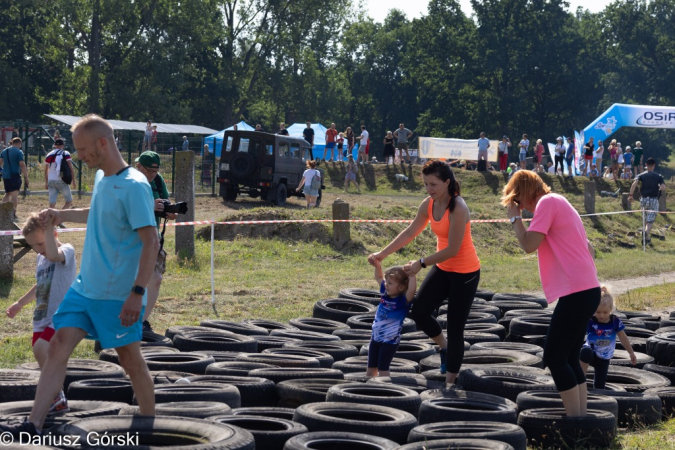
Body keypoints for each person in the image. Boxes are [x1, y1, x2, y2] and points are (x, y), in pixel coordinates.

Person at [0, 114, 159, 437]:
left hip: (116, 295)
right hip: (84, 289)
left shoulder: (135, 186)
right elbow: (98, 211)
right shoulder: (103, 179)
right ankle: (33, 423)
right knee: (57, 345)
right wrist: (61, 214)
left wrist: (137, 293)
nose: (79, 156)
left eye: (83, 149)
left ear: (103, 143)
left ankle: (151, 426)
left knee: (129, 359)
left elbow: (151, 242)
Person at [368, 160, 480, 384]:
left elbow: (453, 249)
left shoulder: (459, 207)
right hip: (443, 268)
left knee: (456, 327)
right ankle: (445, 348)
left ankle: (450, 383)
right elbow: (410, 232)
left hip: (465, 273)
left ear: (447, 182)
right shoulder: (428, 204)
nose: (429, 189)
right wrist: (383, 254)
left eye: (434, 184)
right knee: (418, 312)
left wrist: (421, 262)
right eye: (426, 184)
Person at [502, 170, 600, 417]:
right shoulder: (558, 200)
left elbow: (528, 245)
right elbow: (589, 247)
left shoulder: (546, 203)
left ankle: (575, 420)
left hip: (578, 291)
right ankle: (581, 419)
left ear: (522, 194)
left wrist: (516, 219)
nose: (519, 206)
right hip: (586, 289)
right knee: (568, 357)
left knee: (554, 358)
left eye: (517, 200)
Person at [5, 214, 76, 414]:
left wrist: (48, 231)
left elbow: (54, 256)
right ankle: (57, 396)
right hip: (42, 317)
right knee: (41, 353)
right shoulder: (40, 258)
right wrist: (20, 303)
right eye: (33, 245)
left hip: (61, 315)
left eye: (40, 243)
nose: (38, 249)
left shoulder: (66, 251)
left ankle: (56, 394)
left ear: (54, 233)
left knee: (42, 349)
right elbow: (40, 285)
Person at [134, 151, 177, 332]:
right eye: (149, 172)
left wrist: (170, 211)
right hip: (132, 240)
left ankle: (142, 322)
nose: (153, 176)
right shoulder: (131, 182)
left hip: (154, 240)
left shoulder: (158, 181)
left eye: (155, 172)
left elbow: (168, 205)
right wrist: (149, 206)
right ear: (139, 167)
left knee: (156, 278)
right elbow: (124, 209)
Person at [580, 287, 637, 389]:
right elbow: (578, 334)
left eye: (605, 312)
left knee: (599, 385)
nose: (601, 315)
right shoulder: (591, 320)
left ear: (611, 309)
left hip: (604, 356)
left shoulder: (615, 321)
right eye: (598, 312)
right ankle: (579, 379)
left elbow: (623, 337)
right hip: (591, 353)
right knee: (585, 351)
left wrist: (631, 352)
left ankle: (597, 398)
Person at [366, 261, 416, 377]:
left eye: (390, 283)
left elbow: (412, 290)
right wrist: (377, 265)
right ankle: (369, 389)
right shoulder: (385, 293)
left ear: (401, 287)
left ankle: (384, 389)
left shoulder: (403, 301)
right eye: (387, 282)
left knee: (383, 369)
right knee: (370, 368)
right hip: (375, 338)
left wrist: (412, 274)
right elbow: (379, 277)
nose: (386, 285)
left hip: (389, 341)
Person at [629, 158, 666, 244]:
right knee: (651, 220)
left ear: (646, 165)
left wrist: (630, 195)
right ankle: (646, 232)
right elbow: (663, 188)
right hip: (653, 199)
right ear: (654, 165)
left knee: (645, 218)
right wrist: (660, 188)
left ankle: (647, 238)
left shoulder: (641, 175)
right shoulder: (658, 176)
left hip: (644, 199)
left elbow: (634, 183)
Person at [1, 137, 30, 220]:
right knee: (14, 195)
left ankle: (3, 212)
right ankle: (13, 213)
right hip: (14, 175)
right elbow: (22, 164)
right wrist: (26, 176)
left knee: (7, 193)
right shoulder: (19, 152)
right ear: (18, 143)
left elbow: (0, 162)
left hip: (6, 175)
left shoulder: (4, 151)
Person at [44, 138, 76, 209]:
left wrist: (46, 182)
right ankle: (61, 216)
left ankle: (50, 218)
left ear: (54, 145)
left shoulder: (49, 155)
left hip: (51, 180)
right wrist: (73, 180)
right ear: (63, 145)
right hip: (61, 179)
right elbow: (71, 168)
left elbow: (46, 170)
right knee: (69, 200)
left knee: (52, 203)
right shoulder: (65, 153)